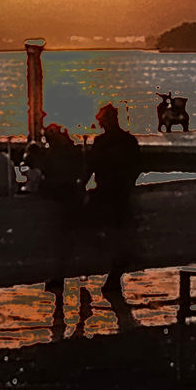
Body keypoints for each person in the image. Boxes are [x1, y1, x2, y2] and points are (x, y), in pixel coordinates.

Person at [86, 103, 143, 297]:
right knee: (119, 235)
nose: (99, 123)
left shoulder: (102, 142)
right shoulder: (128, 140)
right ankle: (114, 274)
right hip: (121, 193)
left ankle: (112, 274)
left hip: (108, 194)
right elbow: (137, 166)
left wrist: (81, 186)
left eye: (101, 120)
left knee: (105, 233)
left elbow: (90, 167)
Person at [36, 123, 87, 294]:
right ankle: (80, 270)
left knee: (62, 240)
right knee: (74, 237)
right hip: (73, 196)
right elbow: (82, 172)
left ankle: (61, 276)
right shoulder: (72, 150)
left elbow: (48, 176)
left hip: (62, 198)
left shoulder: (54, 154)